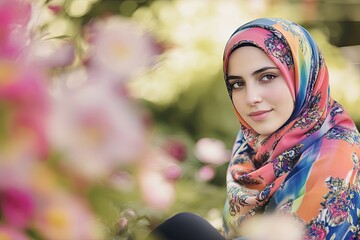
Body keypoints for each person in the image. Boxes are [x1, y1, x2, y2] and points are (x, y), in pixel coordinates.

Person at [146, 18, 360, 240]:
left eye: (267, 77)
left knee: (183, 228)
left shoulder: (337, 154)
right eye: (238, 84)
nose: (251, 98)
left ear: (302, 75)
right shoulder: (254, 143)